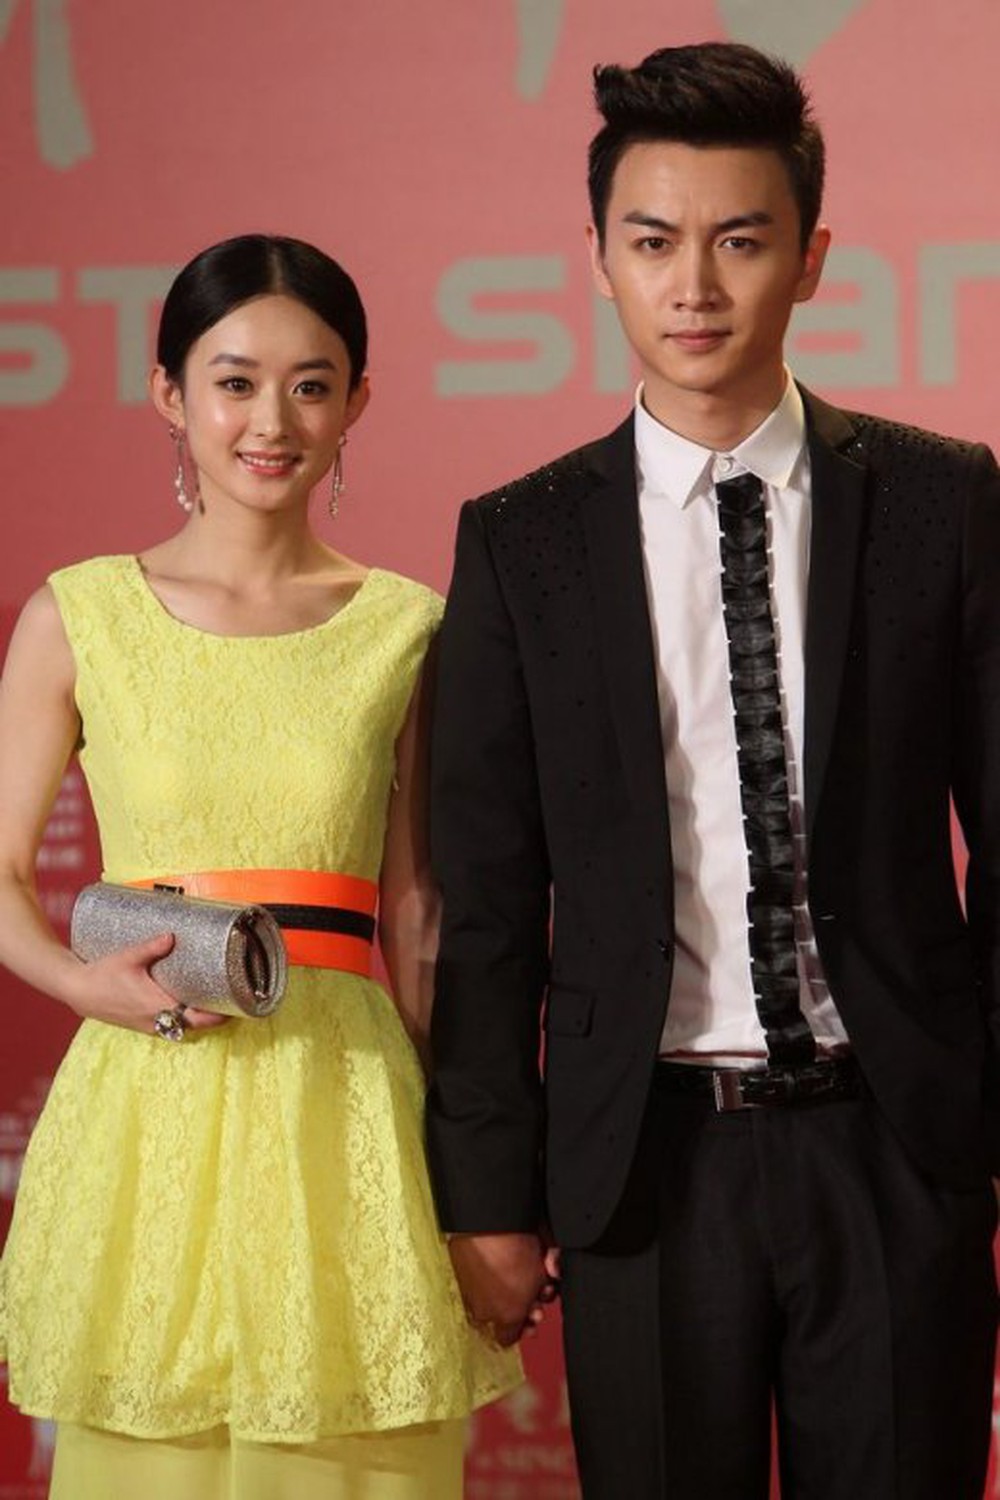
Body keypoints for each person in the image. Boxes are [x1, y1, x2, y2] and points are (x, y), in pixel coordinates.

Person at [425, 42, 1000, 1500]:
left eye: (739, 242)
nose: (693, 286)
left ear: (810, 259)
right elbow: (486, 903)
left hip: (897, 1147)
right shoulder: (521, 541)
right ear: (597, 260)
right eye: (652, 243)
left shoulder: (942, 501)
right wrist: (487, 1193)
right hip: (642, 1162)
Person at [0, 233, 520, 1499]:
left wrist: (477, 1166)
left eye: (310, 384)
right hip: (150, 1096)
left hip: (346, 1101)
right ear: (169, 394)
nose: (271, 421)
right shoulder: (79, 614)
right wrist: (82, 987)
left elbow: (420, 911)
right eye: (233, 382)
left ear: (357, 402)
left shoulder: (409, 628)